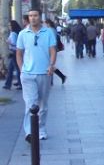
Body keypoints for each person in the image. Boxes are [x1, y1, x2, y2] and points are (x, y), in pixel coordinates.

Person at [16, 8, 57, 142]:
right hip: (27, 74)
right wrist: (22, 70)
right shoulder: (22, 34)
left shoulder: (48, 32)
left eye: (35, 15)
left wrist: (51, 65)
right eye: (30, 16)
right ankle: (30, 132)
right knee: (31, 103)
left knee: (43, 104)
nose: (32, 18)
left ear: (40, 17)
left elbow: (53, 51)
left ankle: (41, 130)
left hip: (44, 73)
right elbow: (19, 53)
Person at [45, 19, 67, 85]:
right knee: (50, 65)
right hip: (52, 49)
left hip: (50, 50)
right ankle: (61, 77)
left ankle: (53, 80)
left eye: (45, 23)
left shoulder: (50, 30)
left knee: (49, 65)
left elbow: (51, 41)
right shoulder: (53, 29)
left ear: (48, 23)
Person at [3, 20, 22, 90]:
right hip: (15, 52)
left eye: (10, 25)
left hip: (14, 52)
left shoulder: (13, 33)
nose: (9, 27)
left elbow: (14, 43)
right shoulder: (16, 32)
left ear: (13, 26)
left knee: (17, 69)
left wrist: (8, 41)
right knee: (11, 69)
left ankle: (20, 84)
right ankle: (8, 84)